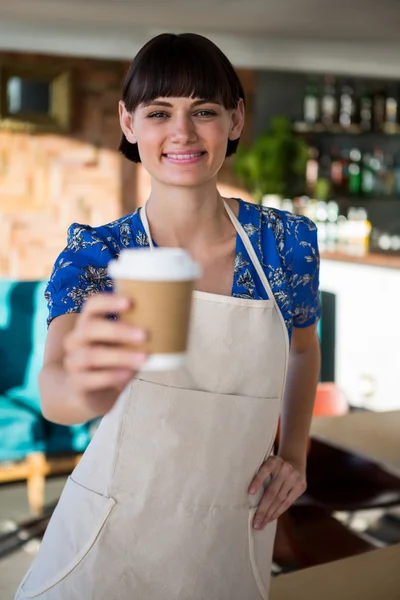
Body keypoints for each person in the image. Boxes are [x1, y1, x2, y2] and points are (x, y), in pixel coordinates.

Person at [15, 33, 321, 600]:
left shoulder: (286, 244)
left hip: (232, 531)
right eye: (160, 112)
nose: (182, 132)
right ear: (129, 124)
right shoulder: (97, 256)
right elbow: (57, 394)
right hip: (108, 537)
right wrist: (85, 384)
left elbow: (302, 346)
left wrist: (294, 453)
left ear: (234, 120)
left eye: (203, 111)